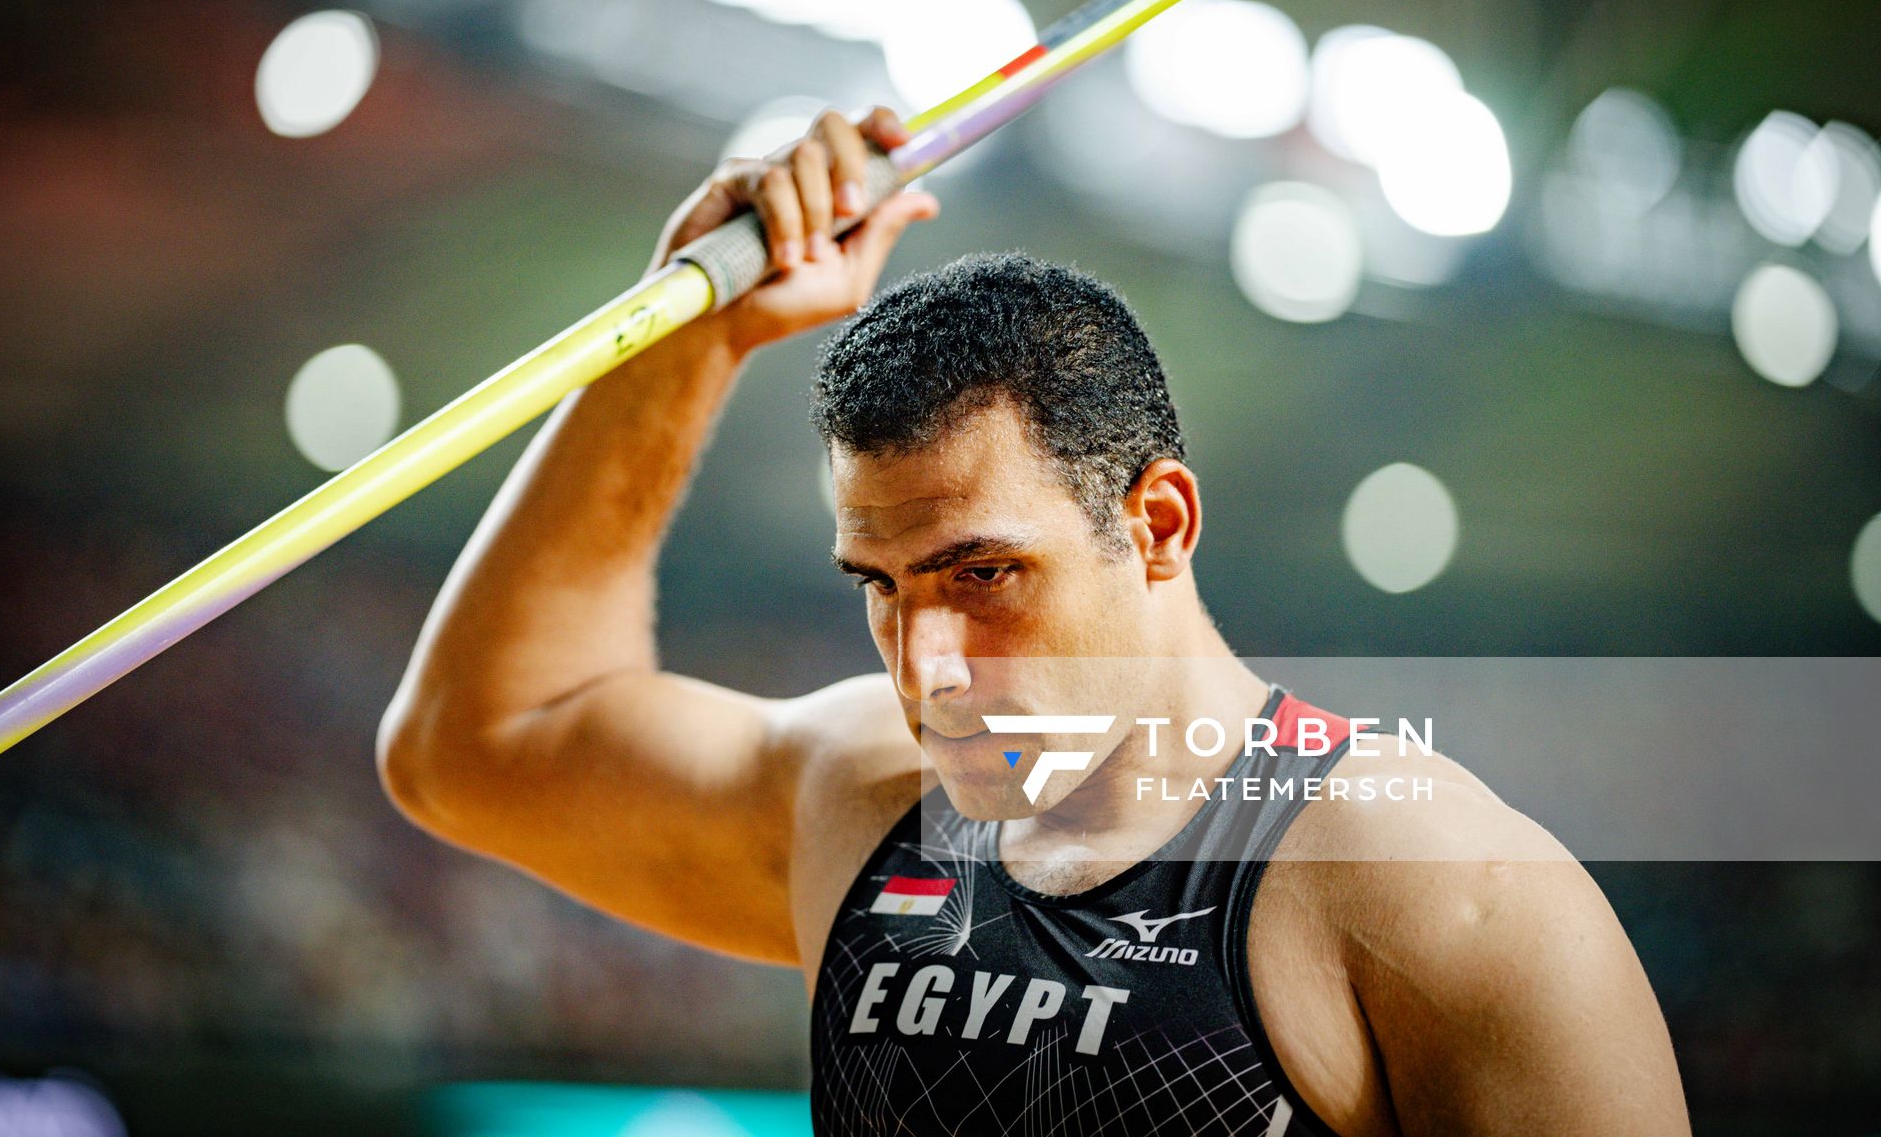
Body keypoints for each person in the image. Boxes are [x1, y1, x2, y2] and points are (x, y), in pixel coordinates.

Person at [378, 108, 1691, 1135]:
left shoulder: (1437, 892)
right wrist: (688, 338)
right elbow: (479, 744)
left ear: (1161, 526)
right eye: (879, 588)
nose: (924, 668)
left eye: (982, 575)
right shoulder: (864, 796)